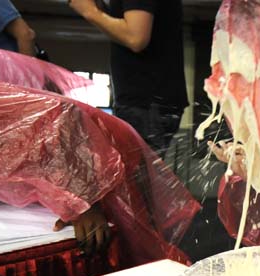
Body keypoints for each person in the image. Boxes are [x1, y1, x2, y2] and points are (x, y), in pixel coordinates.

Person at [68, 0, 189, 159]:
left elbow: (136, 37)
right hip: (148, 101)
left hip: (146, 102)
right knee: (138, 177)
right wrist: (100, 9)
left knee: (137, 179)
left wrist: (91, 12)